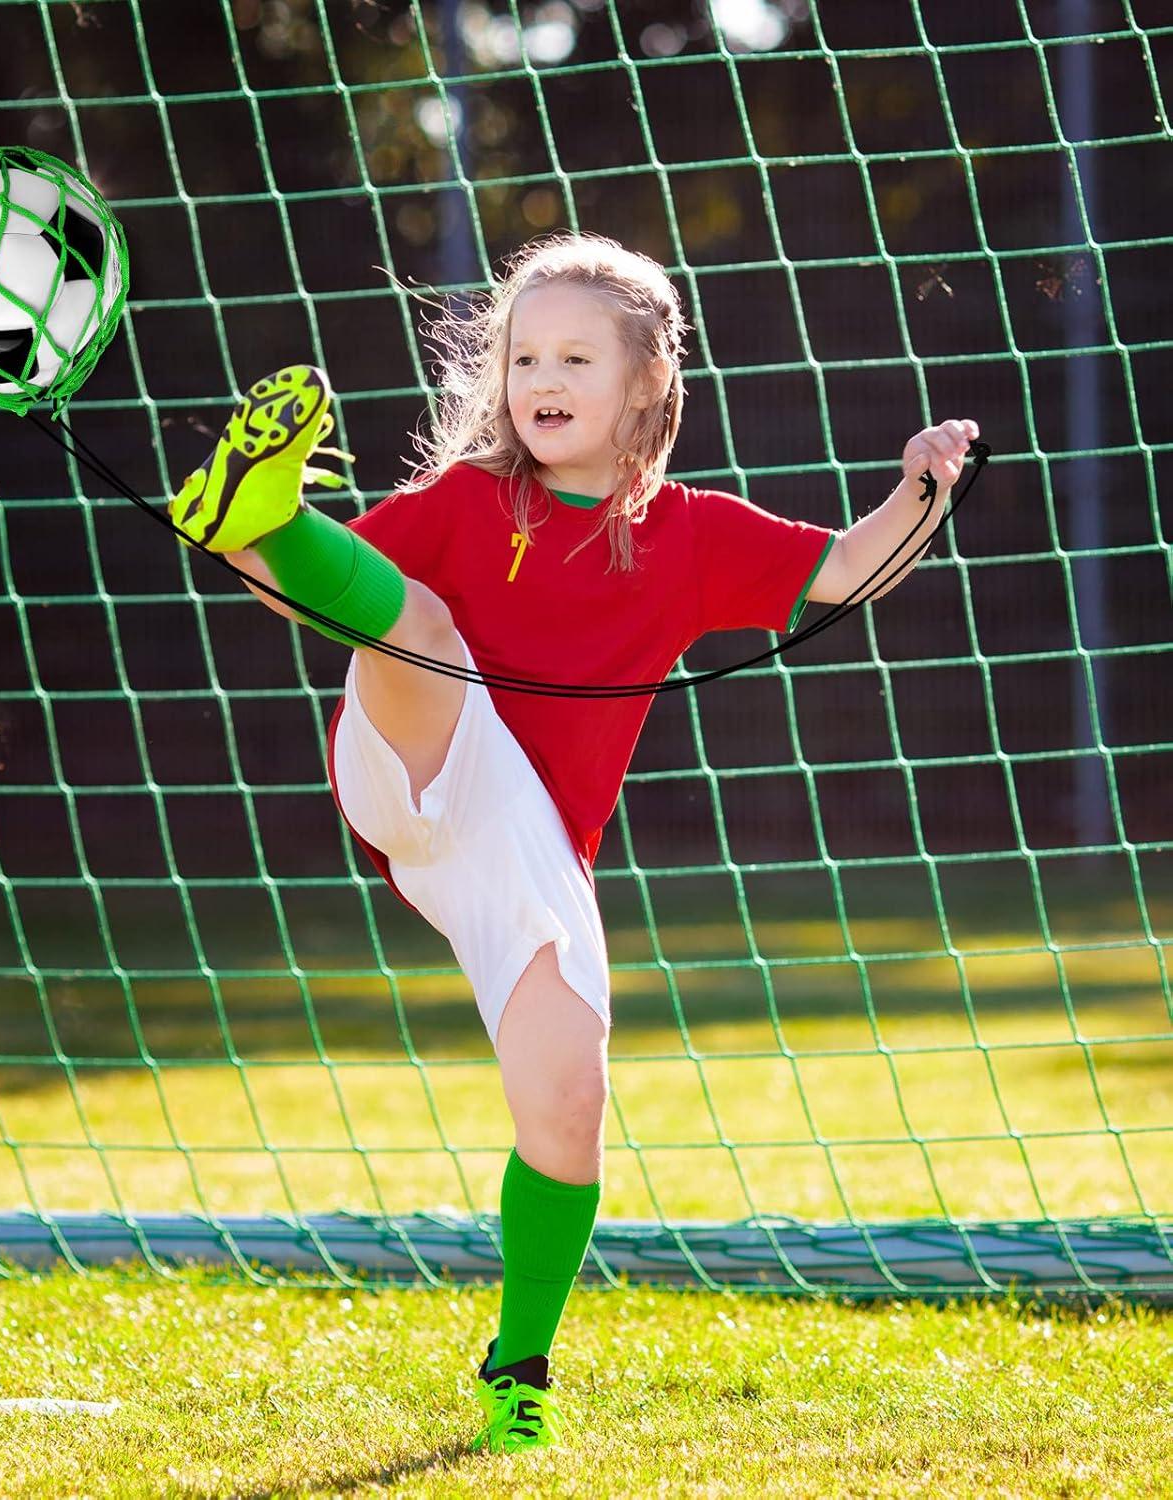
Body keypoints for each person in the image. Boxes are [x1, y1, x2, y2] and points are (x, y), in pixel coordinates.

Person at [169, 232, 979, 1455]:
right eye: (524, 354)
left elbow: (847, 572)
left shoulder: (694, 534)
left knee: (568, 1103)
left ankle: (519, 1366)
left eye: (575, 356)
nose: (540, 378)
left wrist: (922, 486)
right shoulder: (463, 504)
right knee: (421, 628)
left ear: (648, 379)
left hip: (527, 842)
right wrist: (252, 533)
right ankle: (267, 497)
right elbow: (308, 594)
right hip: (411, 760)